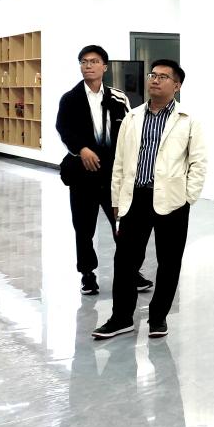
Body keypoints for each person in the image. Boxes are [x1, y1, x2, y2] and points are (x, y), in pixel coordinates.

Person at [92, 59, 207, 339]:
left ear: (176, 86)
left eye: (163, 77)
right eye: (153, 75)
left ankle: (158, 318)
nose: (155, 80)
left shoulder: (188, 120)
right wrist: (116, 198)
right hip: (136, 198)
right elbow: (120, 162)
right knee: (125, 261)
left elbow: (198, 163)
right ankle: (121, 318)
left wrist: (187, 197)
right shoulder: (132, 117)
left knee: (169, 262)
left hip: (172, 200)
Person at [56, 45, 151, 296]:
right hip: (82, 174)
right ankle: (87, 274)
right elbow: (63, 129)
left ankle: (130, 270)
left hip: (112, 175)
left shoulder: (118, 97)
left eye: (94, 61)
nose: (88, 65)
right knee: (83, 227)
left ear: (104, 67)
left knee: (124, 225)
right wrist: (82, 150)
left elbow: (131, 130)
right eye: (84, 61)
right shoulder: (70, 99)